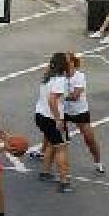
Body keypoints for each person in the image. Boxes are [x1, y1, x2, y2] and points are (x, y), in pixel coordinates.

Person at [36, 53, 74, 192]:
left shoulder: (48, 76)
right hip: (51, 118)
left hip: (40, 115)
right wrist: (58, 119)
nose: (70, 63)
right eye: (68, 61)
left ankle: (45, 173)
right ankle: (64, 182)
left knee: (52, 144)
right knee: (61, 148)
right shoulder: (59, 79)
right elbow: (52, 100)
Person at [64, 53, 104, 173]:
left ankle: (98, 162)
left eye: (68, 61)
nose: (65, 64)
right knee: (52, 135)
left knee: (89, 139)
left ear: (73, 62)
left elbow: (75, 96)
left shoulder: (79, 76)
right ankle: (42, 152)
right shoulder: (59, 76)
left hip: (80, 112)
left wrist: (60, 96)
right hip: (64, 111)